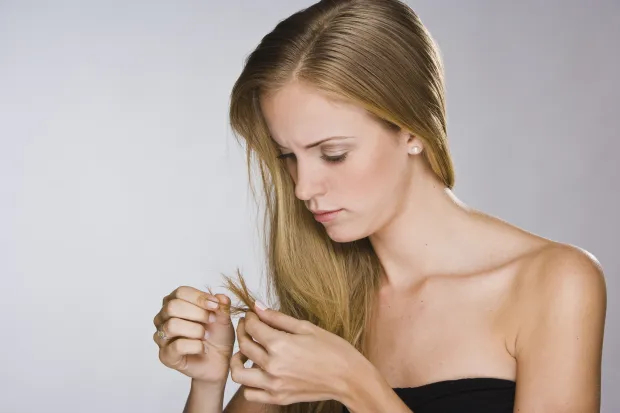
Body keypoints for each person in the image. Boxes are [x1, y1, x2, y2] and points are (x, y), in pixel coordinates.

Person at [152, 1, 607, 412]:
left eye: (333, 154)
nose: (303, 187)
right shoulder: (320, 300)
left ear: (411, 129)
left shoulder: (553, 282)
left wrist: (357, 386)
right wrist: (208, 384)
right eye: (288, 156)